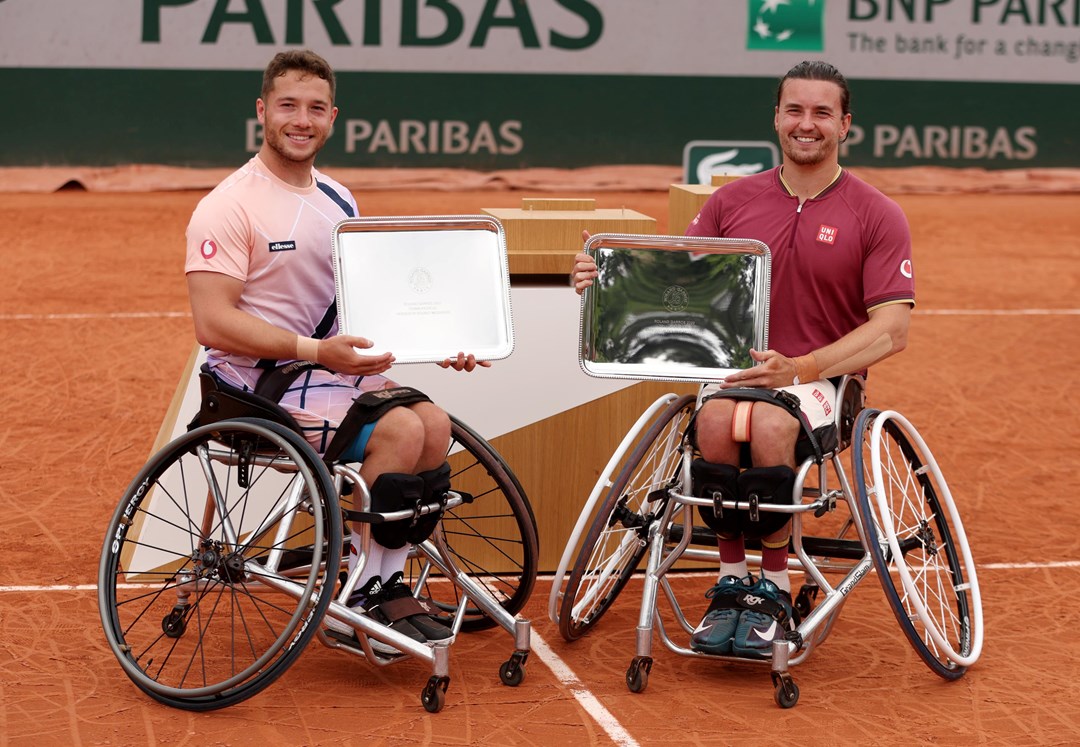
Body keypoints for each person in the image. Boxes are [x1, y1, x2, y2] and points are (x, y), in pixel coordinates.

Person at [570, 60, 914, 658]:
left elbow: (893, 329)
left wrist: (801, 367)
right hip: (732, 373)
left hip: (820, 381)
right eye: (795, 111)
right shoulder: (732, 201)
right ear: (777, 119)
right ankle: (732, 581)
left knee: (769, 422)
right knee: (714, 422)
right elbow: (675, 285)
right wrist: (604, 281)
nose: (807, 124)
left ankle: (773, 589)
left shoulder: (877, 213)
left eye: (822, 113)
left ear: (845, 124)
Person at [185, 49, 488, 655]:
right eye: (289, 106)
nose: (302, 120)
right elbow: (213, 322)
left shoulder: (340, 200)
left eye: (316, 108)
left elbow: (366, 305)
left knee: (432, 423)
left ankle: (376, 581)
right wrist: (316, 350)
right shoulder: (228, 204)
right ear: (262, 111)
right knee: (400, 432)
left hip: (324, 374)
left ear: (333, 117)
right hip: (252, 385)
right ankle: (361, 595)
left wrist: (442, 342)